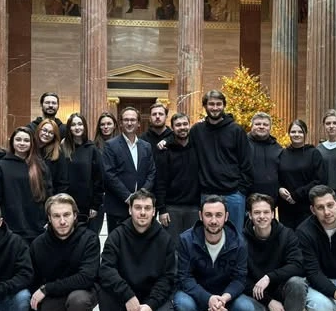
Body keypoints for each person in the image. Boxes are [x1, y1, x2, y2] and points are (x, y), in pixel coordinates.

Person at [98, 189, 176, 311]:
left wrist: (151, 305)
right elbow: (106, 269)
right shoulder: (117, 235)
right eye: (138, 207)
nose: (142, 212)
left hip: (150, 294)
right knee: (104, 293)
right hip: (124, 294)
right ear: (130, 210)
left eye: (147, 208)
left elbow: (168, 277)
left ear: (154, 211)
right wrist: (127, 295)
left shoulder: (165, 239)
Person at [175, 196, 263, 311]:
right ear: (200, 216)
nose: (214, 220)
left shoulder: (239, 242)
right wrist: (208, 298)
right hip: (195, 294)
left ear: (226, 217)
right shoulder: (186, 240)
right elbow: (184, 278)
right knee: (182, 305)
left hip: (225, 297)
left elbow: (239, 279)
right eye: (208, 215)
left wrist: (224, 298)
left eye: (218, 215)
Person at [24, 194, 99, 311]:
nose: (62, 221)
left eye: (66, 215)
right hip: (55, 298)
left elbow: (86, 277)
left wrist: (47, 288)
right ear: (49, 218)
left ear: (75, 215)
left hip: (82, 293)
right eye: (56, 216)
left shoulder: (89, 239)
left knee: (77, 301)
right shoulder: (38, 244)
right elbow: (33, 283)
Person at [243, 193, 307, 311]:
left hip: (281, 287)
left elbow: (298, 265)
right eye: (257, 212)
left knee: (298, 283)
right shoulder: (241, 239)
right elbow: (240, 277)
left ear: (273, 214)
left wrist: (269, 277)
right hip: (256, 291)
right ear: (250, 215)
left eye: (266, 212)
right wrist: (269, 301)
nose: (262, 216)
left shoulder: (287, 234)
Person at [188, 90, 253, 235]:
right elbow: (183, 145)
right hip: (207, 194)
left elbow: (246, 162)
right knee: (208, 236)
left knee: (235, 237)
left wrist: (241, 190)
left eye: (219, 104)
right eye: (211, 104)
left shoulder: (236, 130)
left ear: (224, 105)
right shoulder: (197, 131)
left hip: (234, 194)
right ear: (205, 106)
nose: (215, 107)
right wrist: (166, 141)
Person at [0, 127, 53, 243]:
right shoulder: (0, 166)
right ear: (12, 142)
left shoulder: (40, 166)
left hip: (37, 228)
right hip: (10, 229)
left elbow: (48, 196)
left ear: (32, 143)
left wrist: (48, 219)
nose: (22, 143)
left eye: (26, 140)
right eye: (18, 139)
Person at [102, 106, 156, 233]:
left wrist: (141, 195)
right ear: (120, 123)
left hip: (142, 208)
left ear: (138, 123)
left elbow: (151, 172)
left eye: (133, 120)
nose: (129, 123)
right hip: (118, 206)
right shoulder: (110, 145)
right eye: (126, 120)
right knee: (117, 242)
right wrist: (128, 197)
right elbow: (109, 175)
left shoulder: (146, 146)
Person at [155, 113, 200, 242]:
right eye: (178, 125)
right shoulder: (165, 150)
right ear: (173, 128)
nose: (182, 127)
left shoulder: (198, 146)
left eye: (185, 124)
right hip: (171, 208)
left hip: (194, 207)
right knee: (173, 247)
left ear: (189, 125)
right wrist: (162, 209)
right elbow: (160, 181)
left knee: (193, 246)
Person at [61, 113, 104, 233]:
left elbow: (99, 178)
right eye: (73, 125)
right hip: (67, 203)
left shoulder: (92, 149)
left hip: (87, 206)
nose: (77, 127)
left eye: (80, 124)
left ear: (84, 127)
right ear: (69, 128)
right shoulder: (63, 148)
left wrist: (95, 205)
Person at [278, 119, 325, 229]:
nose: (296, 134)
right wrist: (279, 188)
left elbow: (319, 180)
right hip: (285, 206)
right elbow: (276, 176)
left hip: (306, 205)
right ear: (289, 133)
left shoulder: (314, 153)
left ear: (305, 134)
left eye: (300, 132)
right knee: (287, 236)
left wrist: (296, 195)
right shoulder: (282, 153)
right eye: (293, 132)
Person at [92, 111, 120, 235]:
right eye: (102, 124)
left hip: (116, 195)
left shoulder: (122, 145)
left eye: (109, 124)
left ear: (115, 125)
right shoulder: (93, 146)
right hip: (99, 195)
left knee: (115, 233)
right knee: (94, 232)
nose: (105, 127)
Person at [248, 112, 282, 205]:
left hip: (271, 198)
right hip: (246, 197)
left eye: (265, 125)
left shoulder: (277, 147)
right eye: (258, 124)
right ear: (251, 126)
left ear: (270, 128)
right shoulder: (243, 144)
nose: (261, 127)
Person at [35, 118, 69, 194]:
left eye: (51, 133)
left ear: (54, 136)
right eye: (44, 130)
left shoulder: (58, 154)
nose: (47, 134)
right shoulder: (30, 148)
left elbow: (62, 183)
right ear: (39, 130)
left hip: (49, 197)